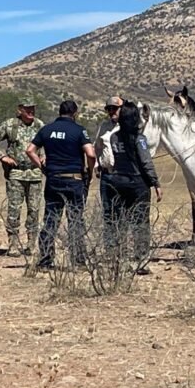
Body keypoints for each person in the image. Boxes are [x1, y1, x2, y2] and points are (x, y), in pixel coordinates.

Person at [26, 100, 96, 269]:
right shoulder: (79, 130)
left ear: (59, 112)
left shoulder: (46, 129)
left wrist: (42, 167)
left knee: (50, 220)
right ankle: (78, 261)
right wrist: (89, 171)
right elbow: (91, 154)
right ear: (75, 113)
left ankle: (45, 260)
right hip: (74, 180)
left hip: (53, 180)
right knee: (75, 221)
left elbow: (29, 150)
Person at [105, 101, 163, 275]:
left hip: (117, 181)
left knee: (119, 221)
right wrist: (156, 183)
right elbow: (146, 162)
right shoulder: (139, 139)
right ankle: (141, 260)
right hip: (137, 183)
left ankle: (119, 259)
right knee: (140, 222)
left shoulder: (114, 137)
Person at [0, 97, 45, 257]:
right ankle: (13, 244)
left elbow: (48, 144)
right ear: (20, 110)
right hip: (16, 174)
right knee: (14, 210)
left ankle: (31, 245)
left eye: (33, 108)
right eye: (27, 108)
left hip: (35, 174)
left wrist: (45, 156)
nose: (31, 111)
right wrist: (3, 157)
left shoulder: (40, 125)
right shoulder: (10, 125)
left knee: (34, 210)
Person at [93, 96, 123, 243]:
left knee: (123, 211)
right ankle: (110, 247)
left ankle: (123, 245)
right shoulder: (104, 126)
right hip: (106, 176)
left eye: (115, 108)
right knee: (108, 212)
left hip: (122, 175)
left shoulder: (128, 126)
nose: (112, 112)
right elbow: (97, 147)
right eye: (109, 109)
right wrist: (96, 165)